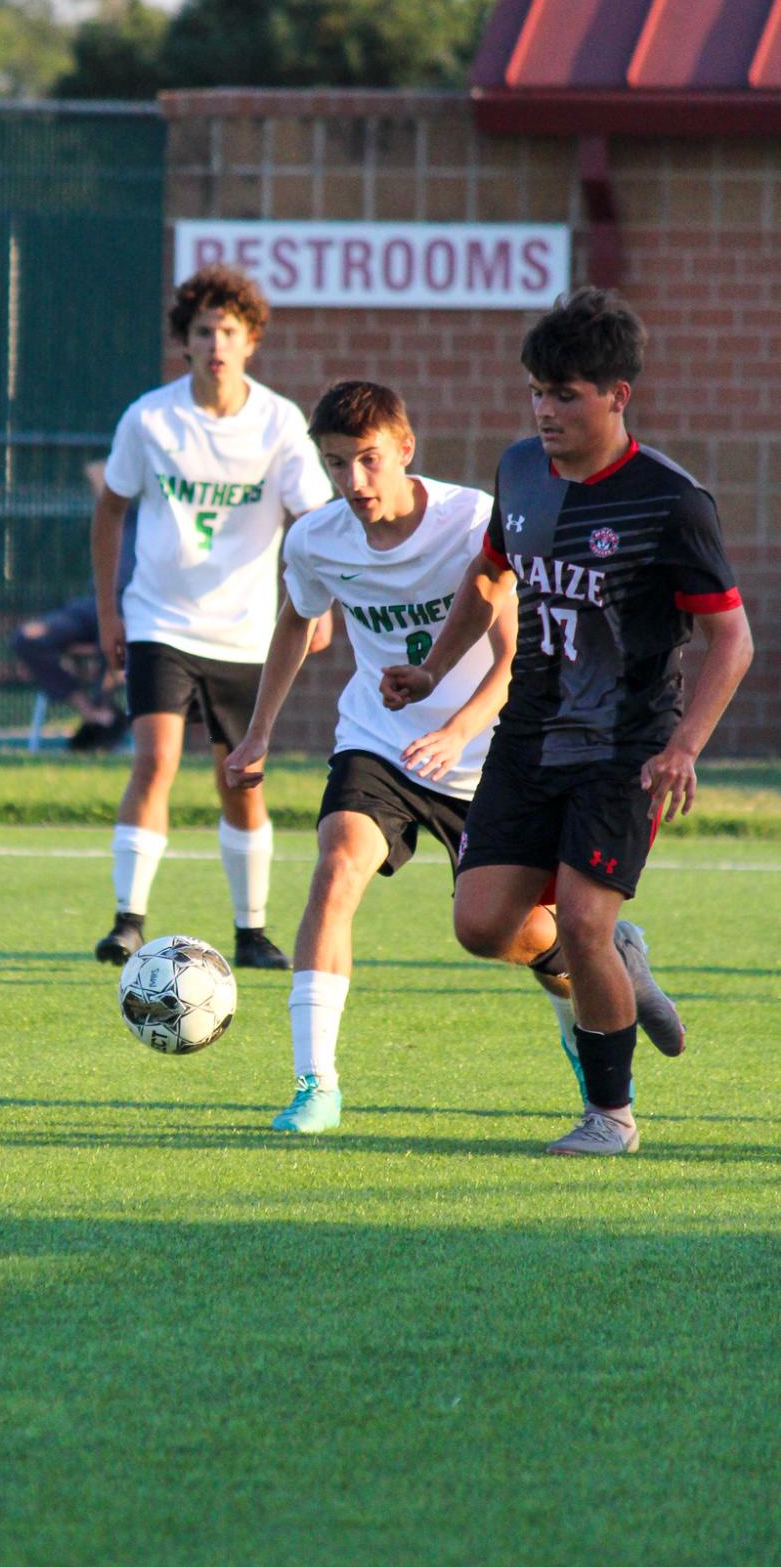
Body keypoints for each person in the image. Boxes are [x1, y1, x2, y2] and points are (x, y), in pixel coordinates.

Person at [382, 287, 753, 1156]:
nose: (546, 411)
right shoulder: (517, 473)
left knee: (579, 918)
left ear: (618, 395)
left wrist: (684, 746)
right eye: (538, 393)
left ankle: (611, 1117)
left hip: (624, 748)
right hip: (528, 735)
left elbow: (730, 639)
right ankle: (620, 956)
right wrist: (434, 667)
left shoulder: (671, 500)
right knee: (481, 925)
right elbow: (487, 577)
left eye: (567, 394)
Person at [224, 378, 641, 1134]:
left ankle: (587, 978)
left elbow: (514, 652)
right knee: (336, 863)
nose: (353, 482)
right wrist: (258, 732)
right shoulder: (317, 537)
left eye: (368, 460)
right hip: (379, 744)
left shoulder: (471, 521)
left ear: (405, 449)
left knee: (509, 931)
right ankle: (316, 1083)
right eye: (335, 464)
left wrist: (457, 731)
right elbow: (296, 621)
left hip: (491, 755)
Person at [91, 264, 333, 970]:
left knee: (240, 776)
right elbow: (111, 509)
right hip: (159, 619)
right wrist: (110, 610)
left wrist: (320, 604)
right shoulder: (150, 417)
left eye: (229, 330)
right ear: (185, 342)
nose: (216, 343)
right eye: (203, 331)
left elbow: (314, 518)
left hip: (248, 628)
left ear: (251, 340)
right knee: (155, 759)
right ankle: (127, 920)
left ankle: (251, 930)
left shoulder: (280, 422)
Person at [11, 461, 134, 752]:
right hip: (92, 605)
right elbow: (95, 471)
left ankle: (103, 716)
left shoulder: (172, 521)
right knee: (27, 638)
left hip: (135, 610)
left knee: (121, 642)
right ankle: (92, 713)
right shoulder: (125, 516)